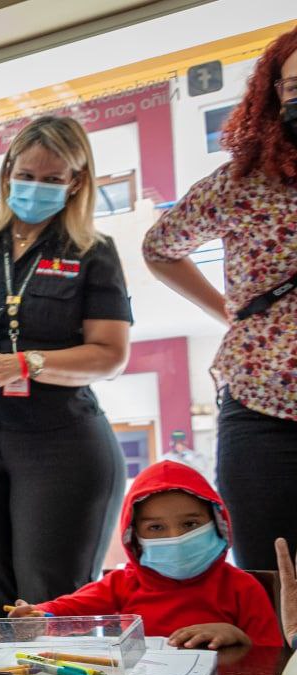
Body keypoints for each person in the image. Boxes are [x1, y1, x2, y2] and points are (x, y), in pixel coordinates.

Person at [0, 115, 132, 618]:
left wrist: (27, 363)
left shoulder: (92, 254)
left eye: (53, 179)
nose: (35, 187)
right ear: (8, 170)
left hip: (58, 443)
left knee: (48, 602)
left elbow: (109, 354)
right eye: (27, 174)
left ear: (76, 182)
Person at [143, 27, 297, 574]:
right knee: (269, 572)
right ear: (274, 96)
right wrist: (229, 312)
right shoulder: (242, 182)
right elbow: (160, 248)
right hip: (262, 404)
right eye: (293, 86)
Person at [7, 461, 282, 650]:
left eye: (190, 524)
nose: (175, 537)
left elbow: (273, 660)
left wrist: (237, 637)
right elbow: (68, 611)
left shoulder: (243, 588)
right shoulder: (123, 583)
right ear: (134, 537)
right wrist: (36, 616)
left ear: (217, 522)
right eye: (156, 527)